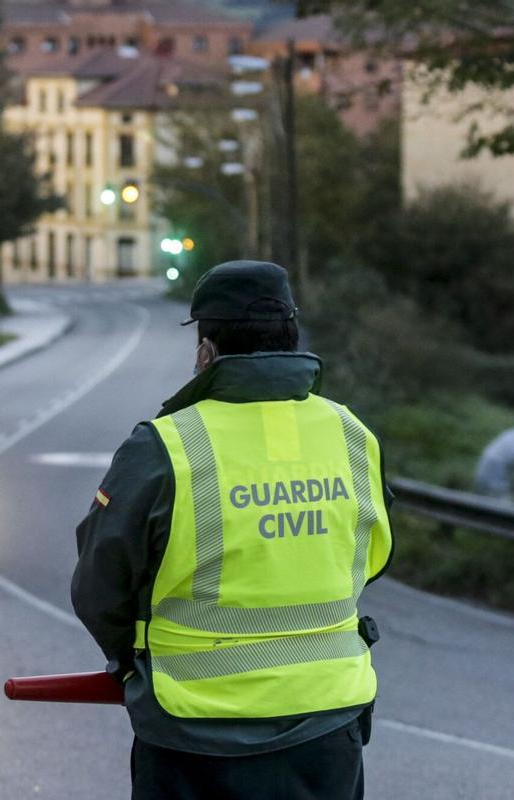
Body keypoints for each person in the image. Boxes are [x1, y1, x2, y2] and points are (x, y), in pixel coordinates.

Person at [71, 261, 393, 800]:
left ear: (206, 353)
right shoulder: (352, 433)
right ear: (292, 337)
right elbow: (375, 558)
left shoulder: (167, 447)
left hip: (193, 733)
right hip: (328, 727)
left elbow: (99, 586)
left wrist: (132, 661)